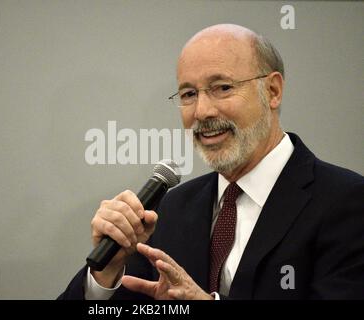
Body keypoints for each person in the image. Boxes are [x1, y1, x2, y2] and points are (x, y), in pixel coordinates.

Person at [59, 24, 364, 300]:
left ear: (272, 91)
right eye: (189, 93)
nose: (202, 111)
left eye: (223, 88)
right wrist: (107, 272)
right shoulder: (170, 208)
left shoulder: (348, 202)